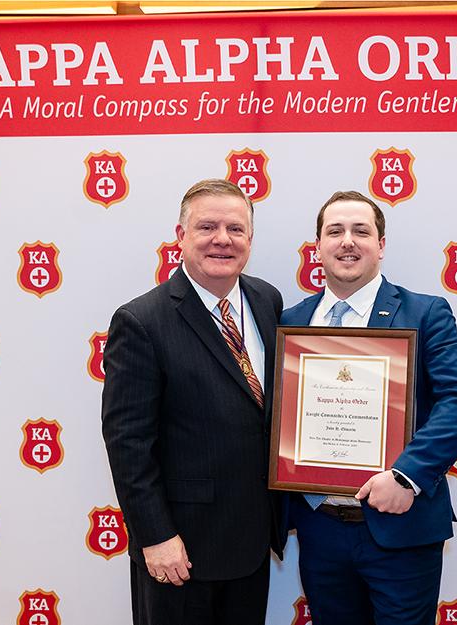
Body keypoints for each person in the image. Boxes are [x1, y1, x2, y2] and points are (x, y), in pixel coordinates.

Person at [280, 190, 457, 625]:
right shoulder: (292, 320)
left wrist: (406, 476)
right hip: (321, 531)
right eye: (334, 231)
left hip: (400, 527)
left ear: (382, 245)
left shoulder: (425, 313)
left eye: (361, 231)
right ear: (317, 247)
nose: (347, 241)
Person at [101, 179, 282, 625]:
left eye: (236, 229)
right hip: (179, 550)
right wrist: (156, 535)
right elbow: (127, 443)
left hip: (251, 541)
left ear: (251, 240)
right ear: (180, 237)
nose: (223, 239)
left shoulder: (267, 301)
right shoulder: (141, 321)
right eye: (207, 227)